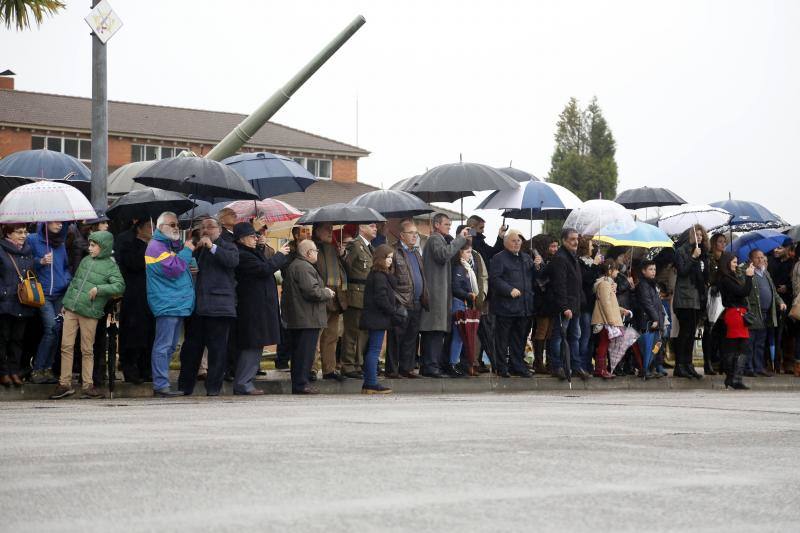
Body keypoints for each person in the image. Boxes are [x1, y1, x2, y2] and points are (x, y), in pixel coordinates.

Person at [49, 231, 125, 399]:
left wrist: (100, 289)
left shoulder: (110, 266)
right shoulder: (85, 260)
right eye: (89, 244)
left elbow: (120, 286)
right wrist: (66, 303)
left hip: (90, 312)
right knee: (66, 346)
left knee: (87, 349)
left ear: (103, 247)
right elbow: (75, 282)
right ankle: (65, 383)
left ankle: (87, 385)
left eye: (93, 245)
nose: (89, 248)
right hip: (72, 308)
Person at [178, 217, 239, 396]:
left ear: (219, 229)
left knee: (217, 351)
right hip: (197, 307)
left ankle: (213, 388)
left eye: (210, 227)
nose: (206, 230)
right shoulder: (197, 249)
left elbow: (232, 261)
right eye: (203, 227)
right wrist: (191, 268)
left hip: (219, 308)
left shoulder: (227, 245)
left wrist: (212, 247)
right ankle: (184, 387)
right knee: (191, 350)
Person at [232, 222, 288, 395]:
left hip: (260, 307)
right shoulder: (242, 254)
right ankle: (243, 383)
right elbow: (265, 269)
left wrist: (261, 245)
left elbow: (263, 262)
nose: (255, 239)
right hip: (252, 308)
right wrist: (279, 254)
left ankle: (246, 381)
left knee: (257, 344)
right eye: (252, 236)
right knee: (252, 344)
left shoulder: (252, 252)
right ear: (242, 239)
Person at [145, 212, 196, 398]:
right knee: (163, 346)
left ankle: (163, 382)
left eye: (177, 225)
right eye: (172, 224)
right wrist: (188, 250)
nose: (176, 228)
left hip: (176, 303)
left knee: (170, 346)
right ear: (160, 227)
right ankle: (160, 384)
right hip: (167, 303)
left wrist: (190, 259)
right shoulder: (155, 246)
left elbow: (183, 265)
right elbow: (173, 269)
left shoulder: (170, 245)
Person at [280, 239, 335, 394]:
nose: (317, 253)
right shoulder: (304, 267)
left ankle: (300, 383)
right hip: (306, 318)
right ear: (308, 252)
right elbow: (312, 291)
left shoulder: (299, 265)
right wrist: (327, 292)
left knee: (300, 353)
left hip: (302, 317)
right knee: (304, 354)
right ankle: (301, 384)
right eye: (316, 250)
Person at [419, 214, 468, 378]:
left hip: (438, 293)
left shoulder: (439, 239)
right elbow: (443, 255)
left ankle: (430, 365)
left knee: (435, 331)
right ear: (437, 225)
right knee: (434, 331)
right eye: (446, 224)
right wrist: (460, 239)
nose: (449, 227)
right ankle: (431, 366)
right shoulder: (435, 240)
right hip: (435, 294)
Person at [27, 221, 72, 384]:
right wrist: (41, 262)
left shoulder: (60, 243)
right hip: (42, 293)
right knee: (51, 328)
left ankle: (47, 368)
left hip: (59, 294)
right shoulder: (32, 240)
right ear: (45, 223)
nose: (59, 225)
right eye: (55, 221)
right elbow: (24, 262)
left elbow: (66, 267)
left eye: (61, 222)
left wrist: (66, 280)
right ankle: (38, 369)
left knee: (57, 330)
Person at [489, 230, 537, 377]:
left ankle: (517, 365)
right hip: (506, 307)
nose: (517, 243)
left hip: (524, 307)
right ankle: (501, 367)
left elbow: (534, 278)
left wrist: (537, 267)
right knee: (502, 339)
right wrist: (509, 290)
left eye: (519, 241)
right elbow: (495, 279)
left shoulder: (526, 258)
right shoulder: (499, 258)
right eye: (513, 240)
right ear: (506, 242)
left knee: (520, 339)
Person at [386, 219, 427, 379]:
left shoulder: (416, 252)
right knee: (396, 336)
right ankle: (392, 369)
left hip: (416, 301)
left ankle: (407, 367)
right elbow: (389, 277)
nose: (415, 236)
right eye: (411, 233)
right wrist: (395, 299)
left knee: (411, 337)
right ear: (402, 235)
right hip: (401, 301)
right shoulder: (394, 251)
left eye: (416, 233)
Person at [117, 219, 155, 384]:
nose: (152, 230)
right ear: (139, 229)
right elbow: (133, 263)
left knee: (150, 334)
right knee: (134, 333)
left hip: (152, 295)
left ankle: (146, 369)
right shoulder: (129, 244)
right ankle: (130, 369)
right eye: (148, 227)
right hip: (134, 294)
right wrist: (148, 250)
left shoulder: (157, 247)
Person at [546, 228, 585, 380]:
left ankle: (575, 366)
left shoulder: (573, 256)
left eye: (577, 238)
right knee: (558, 337)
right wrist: (565, 307)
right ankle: (557, 366)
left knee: (575, 337)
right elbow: (559, 285)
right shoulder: (560, 258)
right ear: (564, 240)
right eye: (572, 239)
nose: (576, 242)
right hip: (565, 306)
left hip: (575, 305)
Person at [0, 224, 36, 388]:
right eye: (19, 232)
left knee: (18, 339)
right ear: (8, 234)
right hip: (5, 302)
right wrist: (4, 292)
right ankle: (3, 372)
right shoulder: (2, 250)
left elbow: (30, 274)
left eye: (25, 232)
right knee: (3, 338)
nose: (23, 235)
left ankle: (14, 371)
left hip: (23, 301)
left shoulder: (28, 252)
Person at [359, 244, 398, 394]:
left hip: (376, 317)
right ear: (381, 258)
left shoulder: (380, 274)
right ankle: (371, 383)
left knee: (372, 349)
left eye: (391, 258)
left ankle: (369, 382)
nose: (390, 261)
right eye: (388, 258)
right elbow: (380, 298)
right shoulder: (379, 276)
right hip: (377, 318)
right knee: (374, 350)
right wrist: (392, 311)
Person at [312, 222, 348, 382]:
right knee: (315, 337)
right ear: (317, 231)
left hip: (335, 298)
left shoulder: (334, 249)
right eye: (326, 229)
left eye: (330, 229)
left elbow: (343, 271)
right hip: (320, 298)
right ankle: (311, 369)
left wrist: (343, 255)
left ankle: (329, 369)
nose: (330, 232)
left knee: (331, 336)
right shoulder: (312, 248)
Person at [672, 225, 708, 379]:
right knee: (685, 332)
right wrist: (693, 257)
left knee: (692, 333)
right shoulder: (681, 251)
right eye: (696, 234)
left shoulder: (702, 253)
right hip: (684, 298)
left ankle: (688, 364)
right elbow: (682, 271)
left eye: (701, 235)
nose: (699, 237)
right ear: (689, 235)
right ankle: (680, 365)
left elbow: (704, 276)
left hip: (697, 298)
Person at [341, 223, 376, 378]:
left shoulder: (369, 247)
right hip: (355, 295)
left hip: (366, 295)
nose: (375, 229)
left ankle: (357, 363)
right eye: (372, 226)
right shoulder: (355, 245)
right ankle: (348, 366)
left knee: (362, 333)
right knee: (352, 332)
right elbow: (345, 268)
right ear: (362, 228)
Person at [744, 249, 785, 377]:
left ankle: (759, 367)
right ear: (751, 259)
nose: (761, 260)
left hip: (766, 313)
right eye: (757, 258)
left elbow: (773, 291)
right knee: (751, 342)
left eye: (762, 257)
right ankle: (749, 368)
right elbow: (744, 292)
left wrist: (780, 302)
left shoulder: (765, 273)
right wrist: (748, 276)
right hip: (754, 312)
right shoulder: (748, 272)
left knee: (761, 342)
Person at [716, 252, 755, 389]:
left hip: (737, 313)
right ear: (727, 263)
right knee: (740, 346)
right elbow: (743, 292)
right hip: (735, 313)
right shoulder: (726, 279)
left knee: (736, 346)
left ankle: (732, 378)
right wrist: (749, 277)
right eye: (733, 262)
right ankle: (734, 378)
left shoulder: (730, 277)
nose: (736, 264)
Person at [591, 259, 629, 379]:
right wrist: (611, 319)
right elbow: (606, 303)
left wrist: (622, 310)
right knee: (604, 344)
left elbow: (611, 303)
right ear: (609, 270)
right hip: (605, 320)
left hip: (606, 319)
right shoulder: (605, 284)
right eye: (616, 269)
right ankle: (600, 369)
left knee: (605, 344)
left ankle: (602, 369)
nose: (617, 272)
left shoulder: (608, 284)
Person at [530, 234, 558, 374]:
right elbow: (538, 280)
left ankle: (545, 362)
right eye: (552, 246)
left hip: (552, 301)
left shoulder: (554, 260)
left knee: (548, 332)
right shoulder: (538, 259)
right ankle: (538, 362)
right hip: (542, 302)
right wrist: (537, 266)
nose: (555, 249)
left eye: (556, 246)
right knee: (541, 330)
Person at [634, 260, 667, 378]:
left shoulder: (651, 284)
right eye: (650, 269)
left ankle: (653, 368)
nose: (653, 272)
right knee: (648, 347)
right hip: (648, 321)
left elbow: (657, 304)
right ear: (643, 271)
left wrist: (661, 318)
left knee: (656, 345)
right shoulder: (643, 285)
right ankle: (645, 369)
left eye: (654, 269)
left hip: (654, 319)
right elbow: (647, 304)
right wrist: (656, 319)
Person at [702, 233, 728, 375]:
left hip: (724, 298)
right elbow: (706, 276)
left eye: (724, 241)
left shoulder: (727, 258)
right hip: (712, 296)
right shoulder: (709, 258)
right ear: (714, 243)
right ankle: (708, 361)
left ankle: (720, 362)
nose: (723, 244)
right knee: (710, 330)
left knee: (722, 332)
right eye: (720, 241)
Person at [769, 243, 796, 373]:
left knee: (789, 332)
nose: (777, 250)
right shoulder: (772, 261)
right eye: (775, 248)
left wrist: (788, 288)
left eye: (780, 248)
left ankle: (788, 362)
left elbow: (795, 281)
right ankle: (774, 363)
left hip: (789, 301)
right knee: (775, 332)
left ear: (788, 249)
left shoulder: (793, 263)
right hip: (774, 300)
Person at [578, 236, 603, 374]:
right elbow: (586, 280)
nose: (592, 248)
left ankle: (588, 363)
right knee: (585, 335)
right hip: (584, 304)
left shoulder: (592, 262)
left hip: (594, 304)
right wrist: (594, 264)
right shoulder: (580, 263)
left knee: (592, 337)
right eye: (590, 246)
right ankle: (581, 363)